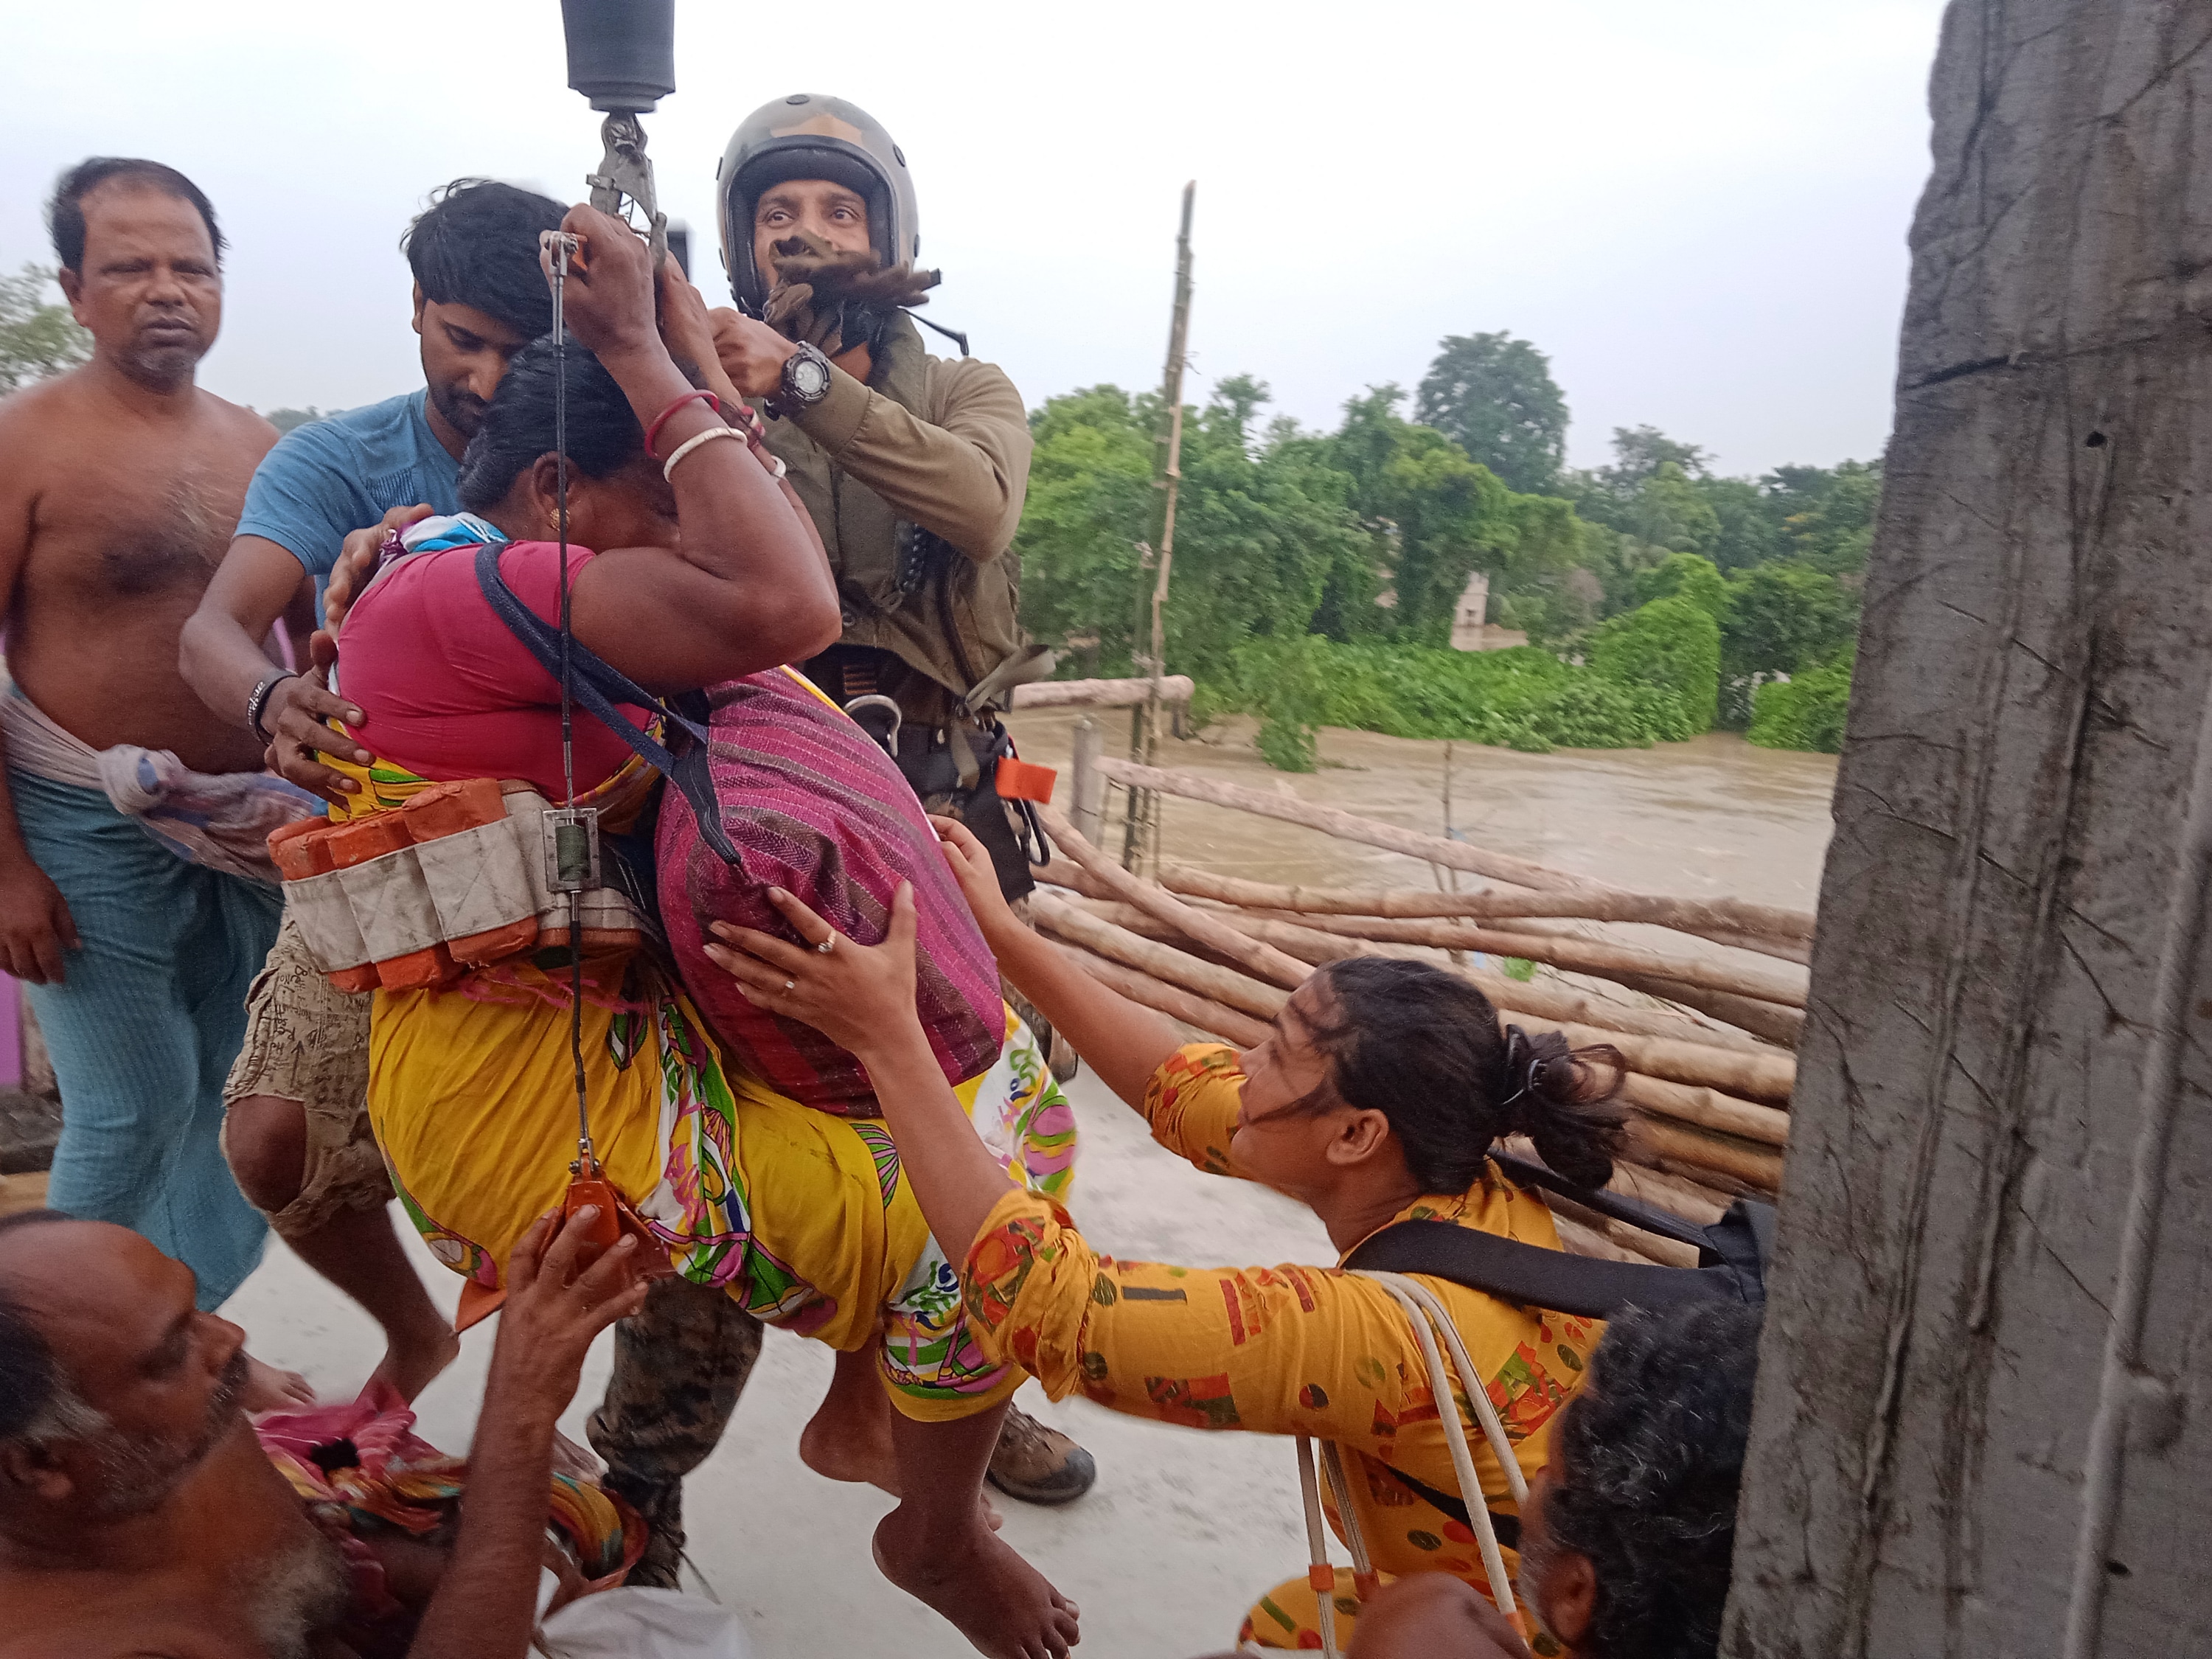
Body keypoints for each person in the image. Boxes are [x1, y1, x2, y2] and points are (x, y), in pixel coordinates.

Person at [317, 201, 1079, 1659]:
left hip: (585, 1036)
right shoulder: (455, 594)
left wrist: (687, 393)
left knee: (1015, 1108)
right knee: (983, 1230)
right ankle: (936, 1539)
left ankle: (867, 1414)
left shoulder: (469, 559)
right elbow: (784, 602)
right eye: (661, 504)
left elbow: (760, 564)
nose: (690, 546)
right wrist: (635, 350)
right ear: (557, 491)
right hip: (524, 1101)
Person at [703, 823, 1632, 1649]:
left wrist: (887, 1040)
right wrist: (1000, 933)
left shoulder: (1378, 1338)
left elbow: (1063, 1313)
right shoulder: (1467, 1174)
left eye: (1275, 1056)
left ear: (1356, 1137)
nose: (1245, 1069)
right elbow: (1180, 1086)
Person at [708, 89, 1093, 1510]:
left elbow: (979, 508)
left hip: (942, 801)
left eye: (839, 209)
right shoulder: (694, 387)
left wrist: (801, 384)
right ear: (742, 242)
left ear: (893, 234)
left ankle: (980, 1411)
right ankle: (649, 1465)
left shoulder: (967, 395)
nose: (806, 234)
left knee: (999, 1126)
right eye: (777, 213)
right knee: (729, 1113)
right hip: (761, 805)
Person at [175, 178, 569, 1406]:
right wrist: (268, 699)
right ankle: (418, 1335)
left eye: (530, 350)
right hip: (378, 859)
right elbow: (214, 630)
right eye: (467, 342)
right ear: (413, 313)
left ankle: (563, 1436)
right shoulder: (337, 461)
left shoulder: (607, 454)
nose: (496, 380)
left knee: (572, 1183)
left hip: (573, 857)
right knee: (274, 1142)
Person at [0, 157, 305, 1331]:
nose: (165, 289)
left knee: (248, 1095)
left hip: (243, 823)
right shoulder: (26, 444)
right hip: (78, 819)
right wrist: (9, 869)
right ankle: (52, 1365)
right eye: (129, 267)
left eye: (190, 265)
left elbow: (308, 637)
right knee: (130, 1102)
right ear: (77, 290)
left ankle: (173, 1332)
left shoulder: (262, 446)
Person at [0, 1203, 689, 1658]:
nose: (231, 1338)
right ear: (35, 1463)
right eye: (171, 1351)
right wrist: (521, 1414)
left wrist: (403, 1566)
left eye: (197, 1308)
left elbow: (287, 1548)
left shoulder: (149, 1448)